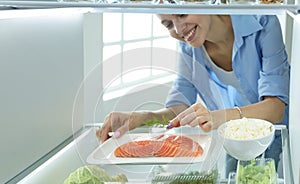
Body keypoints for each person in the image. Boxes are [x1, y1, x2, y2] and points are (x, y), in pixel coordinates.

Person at [96, 14, 290, 145]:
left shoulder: (263, 23)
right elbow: (179, 107)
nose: (179, 29)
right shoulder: (189, 48)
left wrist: (217, 117)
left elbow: (275, 108)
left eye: (182, 14)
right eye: (169, 24)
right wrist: (142, 118)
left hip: (284, 132)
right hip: (236, 136)